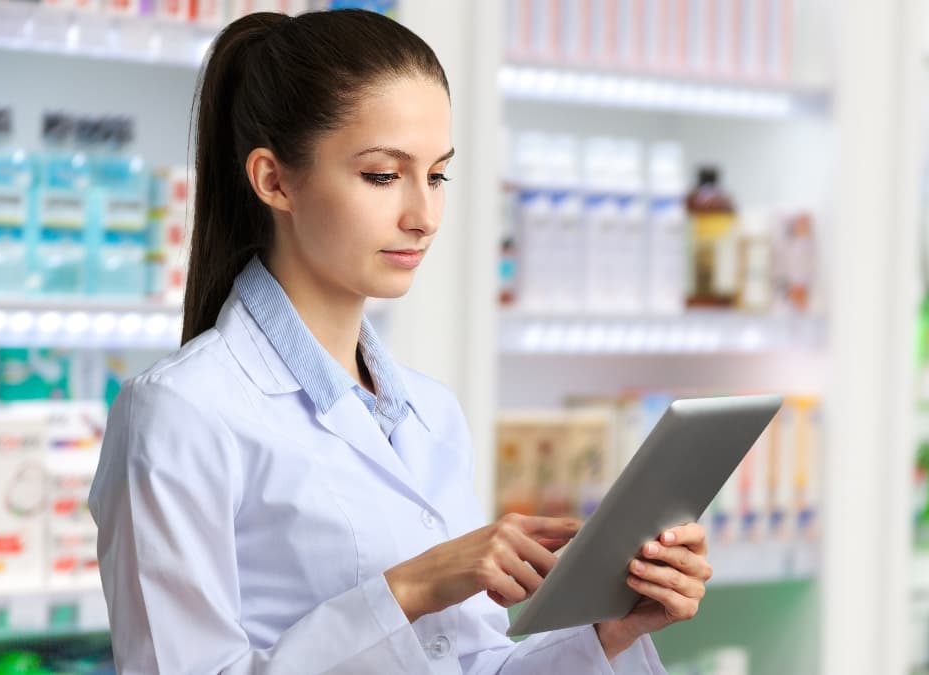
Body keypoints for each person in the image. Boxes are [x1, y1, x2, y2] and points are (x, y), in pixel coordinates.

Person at [89, 9, 712, 674]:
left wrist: (606, 632)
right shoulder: (182, 410)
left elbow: (471, 663)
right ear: (274, 180)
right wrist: (411, 587)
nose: (423, 216)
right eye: (384, 175)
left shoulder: (429, 413)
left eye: (437, 175)